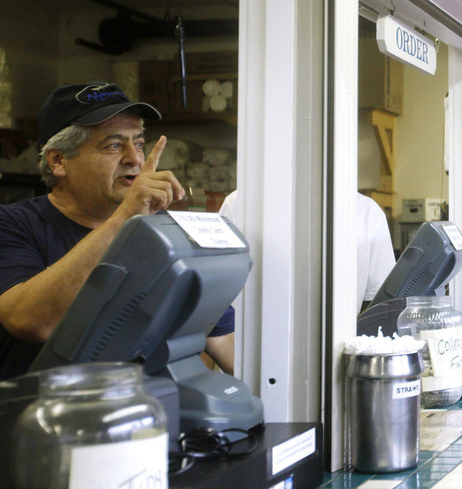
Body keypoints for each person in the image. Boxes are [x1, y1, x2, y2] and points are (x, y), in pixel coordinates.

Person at [0, 81, 235, 379]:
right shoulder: (12, 225)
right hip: (43, 406)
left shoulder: (167, 233)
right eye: (113, 145)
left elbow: (221, 337)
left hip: (147, 405)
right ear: (59, 161)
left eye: (138, 143)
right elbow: (30, 321)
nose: (134, 158)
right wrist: (125, 219)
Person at [219, 190, 395, 314]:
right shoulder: (238, 203)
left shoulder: (367, 212)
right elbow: (218, 292)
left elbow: (378, 301)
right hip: (245, 348)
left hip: (335, 349)